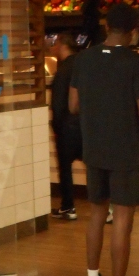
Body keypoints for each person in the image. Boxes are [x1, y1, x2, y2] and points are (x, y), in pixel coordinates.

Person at [69, 2, 139, 276]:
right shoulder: (134, 62)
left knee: (96, 214)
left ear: (106, 26)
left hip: (93, 148)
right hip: (124, 151)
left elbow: (73, 105)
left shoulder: (84, 59)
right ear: (134, 31)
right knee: (122, 218)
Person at [48, 33, 83, 220]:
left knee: (65, 167)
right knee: (93, 166)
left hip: (67, 126)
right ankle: (107, 207)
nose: (52, 48)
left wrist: (56, 126)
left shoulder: (63, 70)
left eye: (54, 44)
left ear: (62, 45)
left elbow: (59, 102)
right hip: (86, 124)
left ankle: (68, 206)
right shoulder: (84, 65)